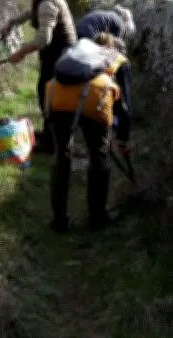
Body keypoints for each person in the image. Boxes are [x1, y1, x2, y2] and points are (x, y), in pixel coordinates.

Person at [43, 37, 133, 233]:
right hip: (96, 97)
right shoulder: (117, 60)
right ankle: (98, 218)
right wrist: (123, 139)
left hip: (56, 95)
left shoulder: (74, 54)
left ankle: (59, 221)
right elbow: (124, 108)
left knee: (61, 155)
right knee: (99, 158)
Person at [0, 0, 77, 153]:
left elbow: (43, 39)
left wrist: (21, 52)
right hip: (56, 53)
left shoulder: (48, 3)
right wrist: (11, 22)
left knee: (48, 95)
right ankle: (50, 134)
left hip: (60, 55)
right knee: (46, 92)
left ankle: (52, 143)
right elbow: (31, 12)